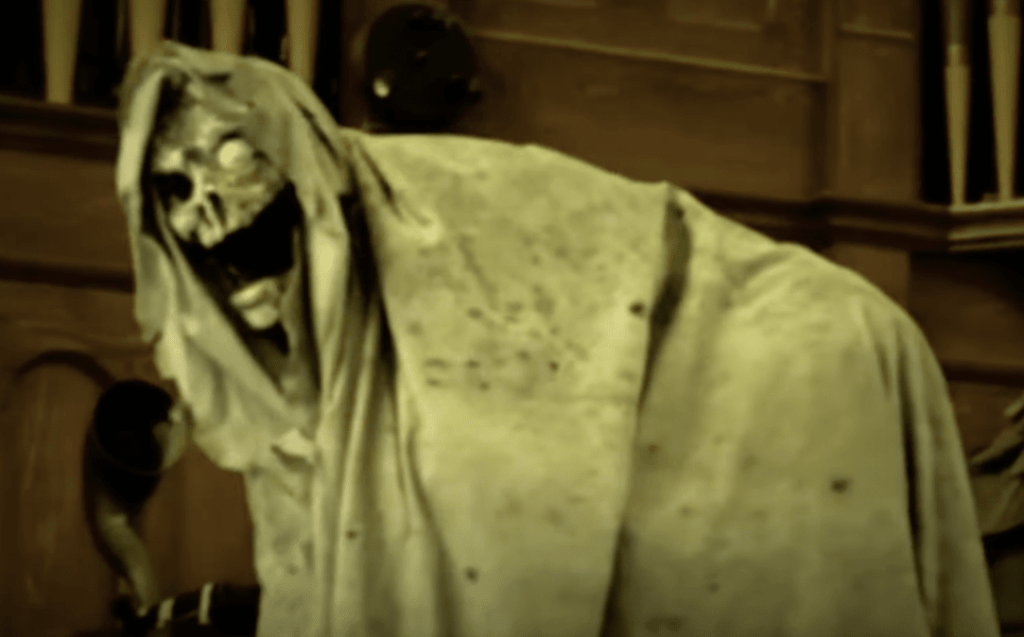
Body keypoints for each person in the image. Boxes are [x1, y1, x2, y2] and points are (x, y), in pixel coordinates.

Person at [112, 41, 1000, 637]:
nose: (206, 212)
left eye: (235, 160)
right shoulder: (287, 341)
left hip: (777, 340)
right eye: (176, 190)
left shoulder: (415, 217)